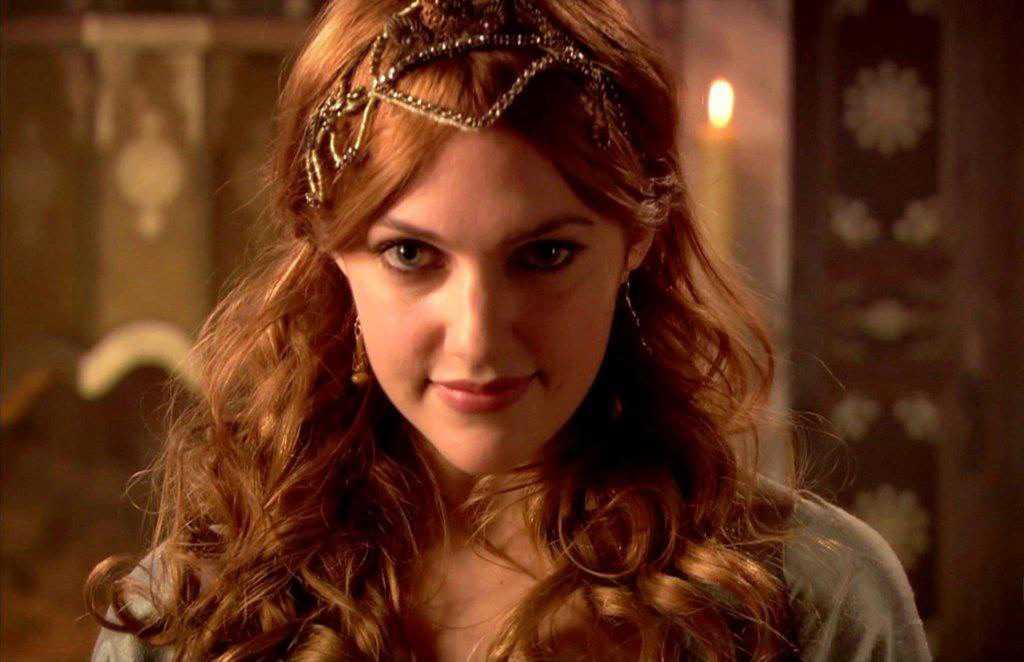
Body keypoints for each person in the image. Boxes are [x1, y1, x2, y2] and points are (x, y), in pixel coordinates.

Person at [85, 1, 933, 660]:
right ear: (328, 249)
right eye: (412, 254)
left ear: (637, 240)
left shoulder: (809, 602)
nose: (480, 339)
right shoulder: (195, 613)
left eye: (546, 254)